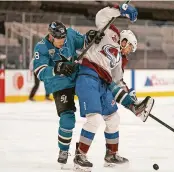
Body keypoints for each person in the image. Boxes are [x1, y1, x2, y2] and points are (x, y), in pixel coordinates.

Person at [74, 4, 154, 171]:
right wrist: (121, 9)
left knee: (113, 119)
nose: (129, 51)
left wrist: (130, 97)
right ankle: (80, 155)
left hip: (103, 83)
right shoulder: (111, 33)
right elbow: (102, 15)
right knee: (94, 119)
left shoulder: (118, 61)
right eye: (130, 46)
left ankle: (111, 155)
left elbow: (117, 81)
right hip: (88, 75)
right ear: (125, 40)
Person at [32, 21, 103, 166]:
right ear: (51, 36)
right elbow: (39, 72)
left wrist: (90, 36)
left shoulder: (69, 33)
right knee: (67, 117)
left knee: (95, 101)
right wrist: (57, 68)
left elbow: (82, 41)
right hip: (59, 83)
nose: (63, 42)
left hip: (77, 76)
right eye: (60, 39)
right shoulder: (41, 47)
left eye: (64, 39)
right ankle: (63, 150)